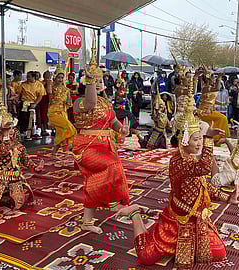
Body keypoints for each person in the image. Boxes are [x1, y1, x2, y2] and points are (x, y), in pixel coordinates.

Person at [114, 94, 229, 269]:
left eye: (199, 139)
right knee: (146, 256)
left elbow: (203, 186)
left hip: (197, 222)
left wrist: (227, 198)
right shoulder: (180, 162)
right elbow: (205, 167)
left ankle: (185, 247)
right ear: (184, 139)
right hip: (176, 222)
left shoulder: (191, 160)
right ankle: (135, 215)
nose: (199, 144)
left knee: (219, 253)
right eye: (195, 139)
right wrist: (208, 139)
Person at [72, 49, 131, 234]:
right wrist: (90, 83)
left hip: (106, 145)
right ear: (86, 82)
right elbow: (90, 103)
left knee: (105, 175)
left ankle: (91, 218)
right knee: (109, 169)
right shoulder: (79, 102)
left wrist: (122, 129)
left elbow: (113, 122)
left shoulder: (106, 103)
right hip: (87, 145)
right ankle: (111, 205)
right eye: (93, 81)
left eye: (99, 81)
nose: (97, 84)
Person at [0, 104, 44, 210]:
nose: (10, 131)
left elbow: (24, 159)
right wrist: (5, 138)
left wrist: (35, 167)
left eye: (12, 128)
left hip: (15, 176)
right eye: (7, 129)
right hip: (0, 176)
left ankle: (8, 198)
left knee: (19, 204)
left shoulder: (19, 147)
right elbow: (1, 152)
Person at [48, 66, 77, 159]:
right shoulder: (51, 87)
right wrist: (49, 80)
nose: (60, 79)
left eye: (61, 77)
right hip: (53, 112)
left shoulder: (66, 90)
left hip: (63, 112)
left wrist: (68, 102)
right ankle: (69, 145)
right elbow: (48, 93)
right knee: (70, 128)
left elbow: (69, 103)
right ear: (55, 77)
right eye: (58, 77)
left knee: (60, 133)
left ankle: (54, 154)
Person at [198, 69, 230, 145]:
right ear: (208, 78)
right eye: (213, 77)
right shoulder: (205, 88)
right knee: (222, 118)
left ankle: (216, 137)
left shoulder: (210, 88)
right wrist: (219, 78)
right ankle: (217, 138)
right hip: (204, 111)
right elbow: (217, 88)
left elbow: (212, 100)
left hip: (210, 110)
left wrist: (222, 104)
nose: (214, 79)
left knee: (220, 118)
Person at [16, 71, 46, 140]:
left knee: (36, 117)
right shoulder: (23, 84)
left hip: (34, 102)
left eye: (29, 76)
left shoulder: (39, 85)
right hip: (24, 103)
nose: (27, 78)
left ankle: (36, 132)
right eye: (27, 76)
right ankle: (25, 132)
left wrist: (35, 103)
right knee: (24, 117)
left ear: (33, 77)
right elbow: (19, 94)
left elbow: (40, 96)